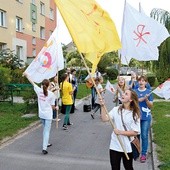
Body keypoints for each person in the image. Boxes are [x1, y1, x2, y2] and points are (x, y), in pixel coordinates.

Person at [102, 89, 140, 170]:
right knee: (115, 168)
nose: (123, 95)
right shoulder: (116, 109)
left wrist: (120, 132)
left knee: (128, 167)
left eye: (126, 94)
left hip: (127, 146)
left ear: (130, 99)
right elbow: (104, 118)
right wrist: (102, 106)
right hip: (115, 145)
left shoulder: (134, 114)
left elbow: (135, 132)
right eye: (123, 93)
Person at [23, 72, 57, 155]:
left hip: (41, 114)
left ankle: (46, 143)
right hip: (48, 115)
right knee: (46, 131)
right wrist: (56, 108)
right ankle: (44, 148)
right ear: (49, 85)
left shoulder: (39, 91)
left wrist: (27, 75)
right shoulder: (52, 94)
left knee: (45, 129)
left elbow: (32, 82)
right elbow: (53, 107)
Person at [134, 75, 153, 163]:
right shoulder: (134, 91)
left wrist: (146, 100)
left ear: (146, 82)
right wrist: (139, 99)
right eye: (140, 81)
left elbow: (151, 106)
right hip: (136, 117)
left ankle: (143, 153)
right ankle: (136, 152)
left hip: (145, 117)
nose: (141, 82)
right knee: (135, 135)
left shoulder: (149, 92)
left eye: (143, 81)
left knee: (144, 135)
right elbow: (132, 103)